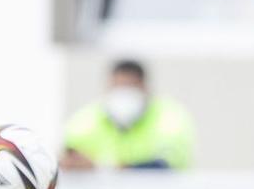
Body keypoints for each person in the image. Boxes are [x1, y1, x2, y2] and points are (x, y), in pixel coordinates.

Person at [60, 61, 194, 171]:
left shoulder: (169, 118)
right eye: (118, 87)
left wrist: (102, 169)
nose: (123, 94)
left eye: (130, 87)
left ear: (145, 88)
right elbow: (69, 160)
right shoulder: (84, 120)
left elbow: (165, 167)